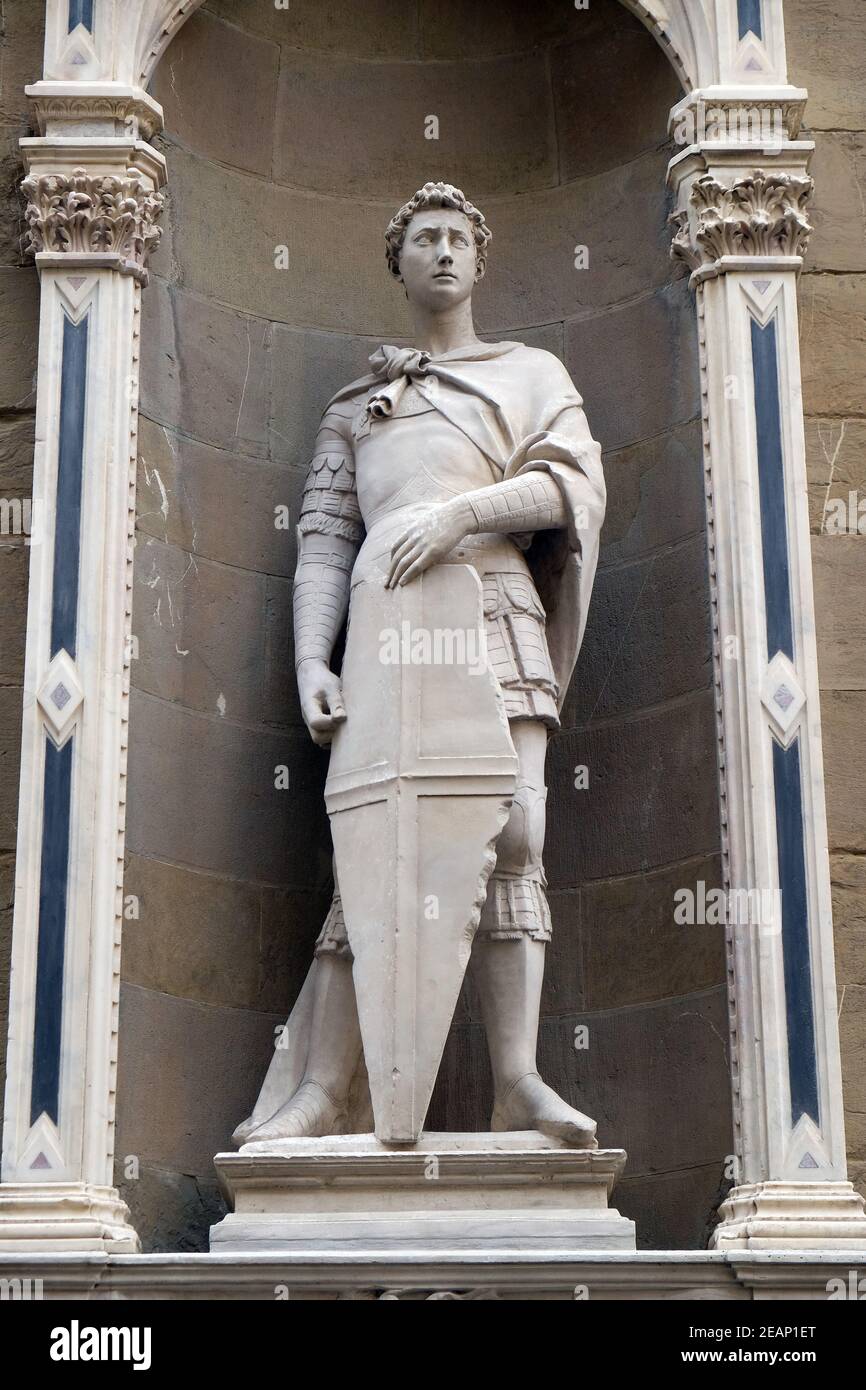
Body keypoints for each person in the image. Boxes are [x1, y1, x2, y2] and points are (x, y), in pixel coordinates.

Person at [234, 182, 606, 1147]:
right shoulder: (357, 405)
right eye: (422, 238)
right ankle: (322, 1089)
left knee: (516, 832)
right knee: (374, 848)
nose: (442, 251)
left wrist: (459, 516)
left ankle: (517, 1079)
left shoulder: (530, 374)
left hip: (491, 604)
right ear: (397, 264)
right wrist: (314, 659)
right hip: (386, 629)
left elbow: (567, 487)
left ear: (479, 261)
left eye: (456, 238)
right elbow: (323, 536)